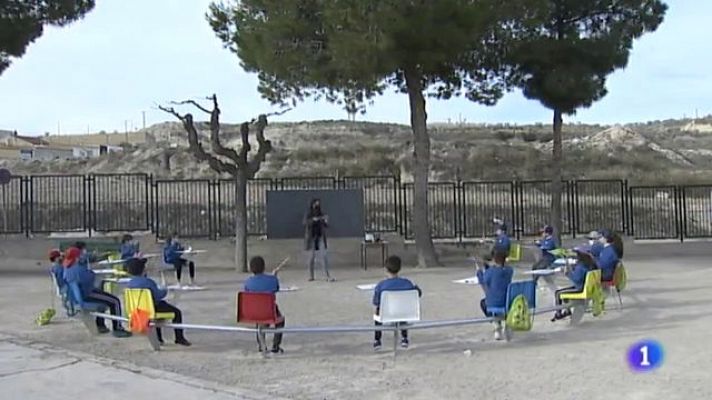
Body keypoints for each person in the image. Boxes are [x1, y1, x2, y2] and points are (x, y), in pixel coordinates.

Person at [63, 247, 131, 338]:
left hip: (77, 297)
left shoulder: (67, 268)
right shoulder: (78, 270)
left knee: (104, 296)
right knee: (114, 301)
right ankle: (117, 328)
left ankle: (100, 325)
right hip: (87, 294)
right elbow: (91, 277)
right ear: (77, 258)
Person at [125, 258, 191, 346]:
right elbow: (159, 295)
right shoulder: (148, 282)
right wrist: (165, 288)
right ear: (143, 269)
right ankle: (179, 338)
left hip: (139, 309)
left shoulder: (130, 283)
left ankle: (159, 338)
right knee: (177, 312)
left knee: (158, 312)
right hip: (152, 308)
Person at [372, 255, 422, 350]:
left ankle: (377, 340)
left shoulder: (381, 285)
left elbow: (376, 302)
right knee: (402, 308)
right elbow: (418, 293)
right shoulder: (407, 283)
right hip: (403, 313)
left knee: (378, 311)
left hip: (387, 314)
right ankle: (404, 338)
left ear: (386, 269)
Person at [243, 256, 285, 354]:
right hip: (270, 311)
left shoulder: (248, 282)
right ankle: (276, 345)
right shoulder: (272, 280)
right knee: (280, 320)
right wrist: (274, 276)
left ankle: (261, 345)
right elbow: (275, 289)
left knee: (260, 317)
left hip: (254, 313)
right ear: (264, 267)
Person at [552, 246, 597, 321]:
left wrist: (567, 273)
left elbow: (576, 279)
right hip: (584, 286)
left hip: (580, 288)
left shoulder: (580, 267)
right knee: (563, 292)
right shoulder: (590, 263)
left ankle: (558, 314)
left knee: (558, 293)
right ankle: (567, 311)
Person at [476, 250, 514, 340]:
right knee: (496, 300)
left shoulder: (491, 272)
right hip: (507, 301)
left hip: (494, 303)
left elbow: (483, 280)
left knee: (483, 303)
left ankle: (496, 325)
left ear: (494, 259)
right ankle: (504, 325)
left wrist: (479, 271)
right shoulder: (509, 271)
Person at [303, 198, 334, 282]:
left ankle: (327, 276)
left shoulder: (321, 214)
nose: (317, 206)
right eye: (316, 204)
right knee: (311, 257)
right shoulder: (308, 214)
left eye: (318, 204)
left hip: (320, 237)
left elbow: (326, 225)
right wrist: (313, 220)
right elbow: (305, 223)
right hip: (312, 237)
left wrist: (325, 221)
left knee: (324, 256)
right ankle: (311, 276)